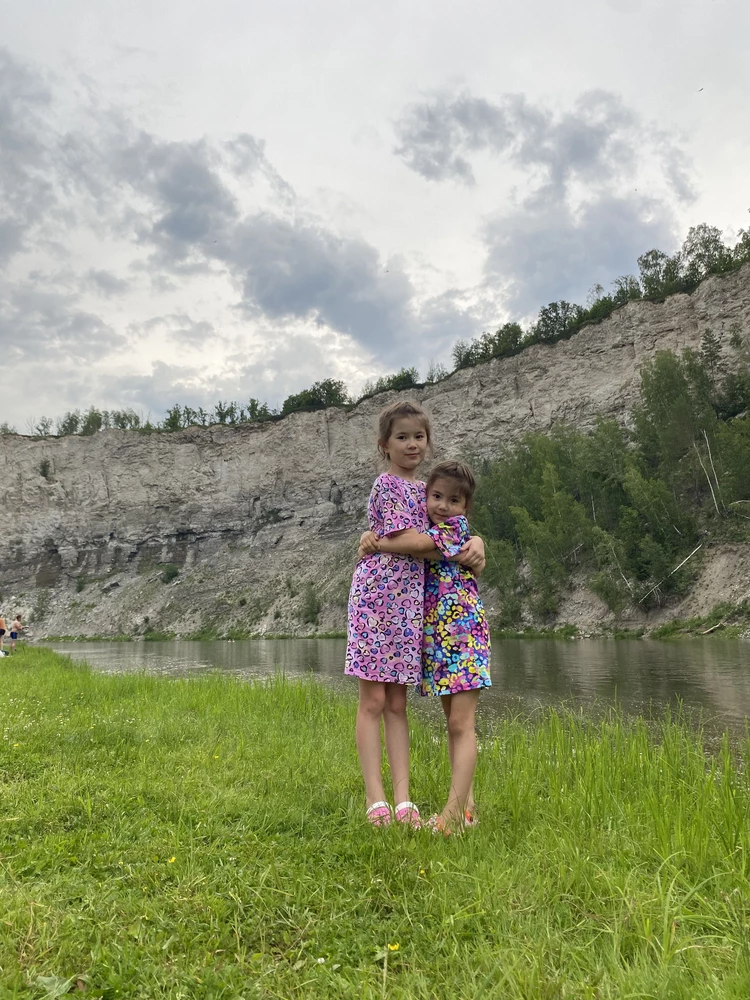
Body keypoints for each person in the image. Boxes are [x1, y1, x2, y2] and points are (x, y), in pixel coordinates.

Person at [345, 402, 485, 827]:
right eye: (402, 436)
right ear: (384, 444)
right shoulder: (386, 486)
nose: (411, 444)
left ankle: (404, 801)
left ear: (427, 441)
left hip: (412, 604)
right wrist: (382, 541)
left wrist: (477, 539)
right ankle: (376, 799)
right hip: (376, 597)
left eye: (418, 436)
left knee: (397, 702)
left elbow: (448, 528)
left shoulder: (430, 492)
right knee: (372, 699)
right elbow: (417, 540)